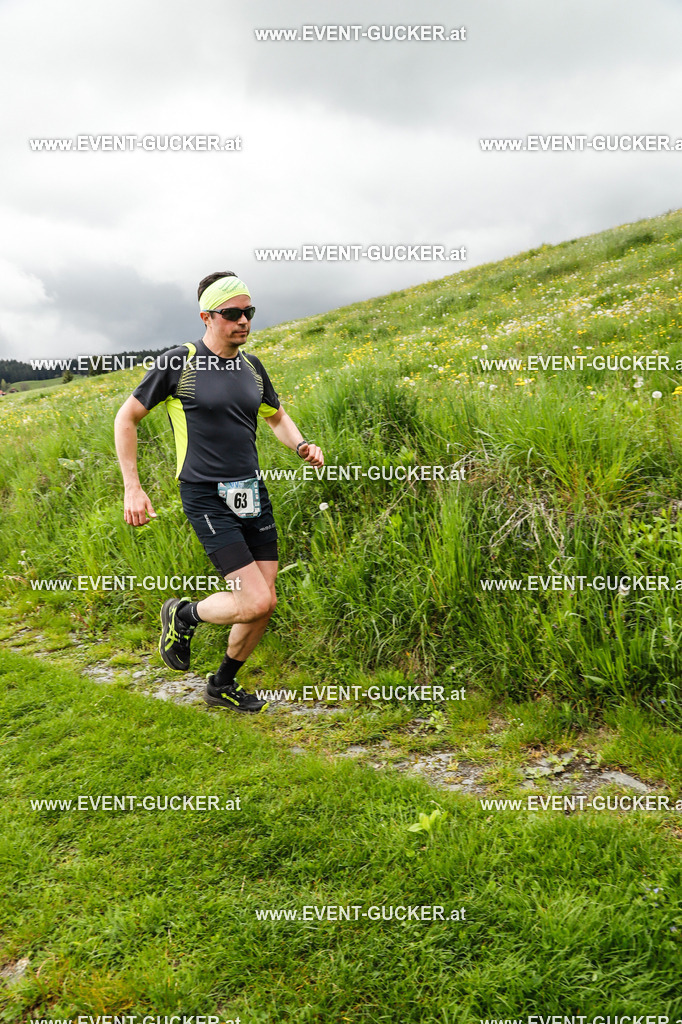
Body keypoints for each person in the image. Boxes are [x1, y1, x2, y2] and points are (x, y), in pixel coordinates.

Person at [114, 271, 324, 713]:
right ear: (207, 316)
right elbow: (126, 419)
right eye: (232, 314)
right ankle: (183, 615)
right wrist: (133, 487)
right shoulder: (180, 362)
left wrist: (301, 444)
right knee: (257, 598)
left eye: (248, 312)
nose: (243, 321)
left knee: (263, 604)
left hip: (250, 491)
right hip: (206, 495)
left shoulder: (251, 367)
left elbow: (276, 417)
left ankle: (221, 684)